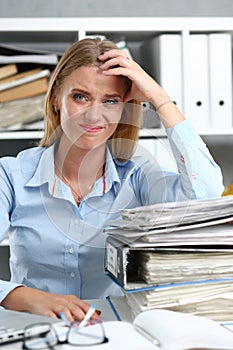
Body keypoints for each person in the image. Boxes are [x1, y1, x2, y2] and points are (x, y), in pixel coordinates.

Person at [0, 37, 224, 323]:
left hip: (115, 332)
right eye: (80, 96)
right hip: (37, 330)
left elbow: (205, 198)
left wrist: (159, 98)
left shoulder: (138, 177)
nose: (95, 114)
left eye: (111, 101)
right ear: (56, 98)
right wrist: (27, 297)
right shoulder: (11, 175)